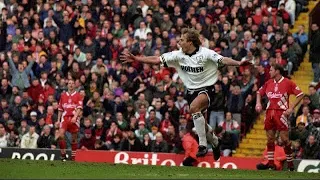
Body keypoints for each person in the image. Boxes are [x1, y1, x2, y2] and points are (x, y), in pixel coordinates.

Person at [121, 28, 249, 160]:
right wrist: (137, 58)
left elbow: (223, 60)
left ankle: (203, 145)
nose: (179, 41)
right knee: (201, 123)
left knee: (194, 108)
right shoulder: (178, 55)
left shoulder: (205, 53)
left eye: (182, 39)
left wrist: (239, 63)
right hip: (191, 91)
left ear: (190, 42)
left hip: (207, 88)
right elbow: (156, 59)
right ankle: (216, 142)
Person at [255, 64, 304, 171]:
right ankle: (271, 164)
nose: (269, 72)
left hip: (281, 113)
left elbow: (300, 94)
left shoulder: (288, 82)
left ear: (277, 71)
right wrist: (258, 103)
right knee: (270, 139)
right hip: (269, 113)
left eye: (271, 70)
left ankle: (291, 165)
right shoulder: (268, 82)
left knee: (285, 140)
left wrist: (291, 107)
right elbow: (259, 92)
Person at [56, 77, 83, 161]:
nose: (71, 85)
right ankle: (63, 155)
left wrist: (75, 117)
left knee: (74, 139)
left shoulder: (78, 95)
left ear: (74, 85)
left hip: (73, 118)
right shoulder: (63, 95)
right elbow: (60, 109)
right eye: (69, 83)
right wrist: (58, 120)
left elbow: (79, 108)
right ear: (67, 85)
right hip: (65, 118)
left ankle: (73, 158)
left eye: (72, 83)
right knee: (60, 135)